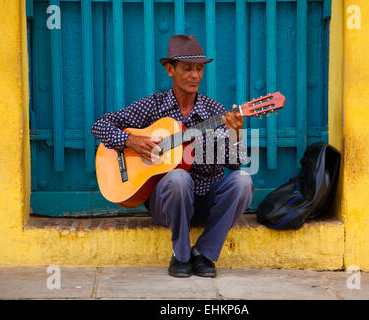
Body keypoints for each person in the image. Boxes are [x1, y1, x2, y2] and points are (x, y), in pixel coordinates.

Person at [91, 34, 254, 278]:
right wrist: (131, 140)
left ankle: (204, 253)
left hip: (207, 202)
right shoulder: (152, 107)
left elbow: (236, 161)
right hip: (168, 204)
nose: (195, 75)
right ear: (170, 70)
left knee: (244, 181)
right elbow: (101, 125)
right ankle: (181, 256)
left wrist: (235, 132)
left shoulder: (215, 111)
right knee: (178, 177)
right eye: (187, 69)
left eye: (199, 69)